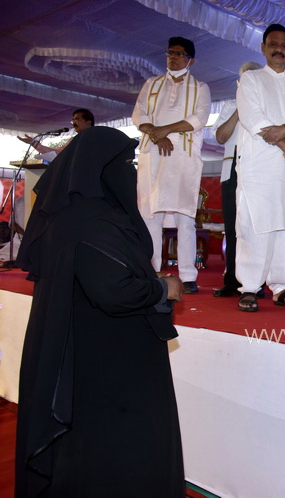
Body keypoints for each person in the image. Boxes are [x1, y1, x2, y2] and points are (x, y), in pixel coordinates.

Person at [15, 127, 185, 497]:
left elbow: (97, 272)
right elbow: (113, 290)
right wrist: (163, 288)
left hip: (79, 351)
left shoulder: (64, 215)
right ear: (99, 167)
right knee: (113, 458)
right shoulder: (94, 221)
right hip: (108, 365)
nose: (131, 171)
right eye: (126, 163)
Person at [234, 23, 285, 312]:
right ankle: (249, 288)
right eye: (273, 44)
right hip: (260, 162)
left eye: (284, 45)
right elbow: (254, 119)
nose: (278, 49)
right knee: (255, 224)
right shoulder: (251, 79)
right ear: (263, 48)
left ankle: (281, 288)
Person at [132, 36, 211, 294]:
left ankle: (188, 276)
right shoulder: (151, 84)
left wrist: (164, 130)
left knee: (185, 218)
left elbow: (199, 118)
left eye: (179, 54)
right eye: (170, 53)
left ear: (191, 60)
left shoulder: (200, 87)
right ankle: (152, 271)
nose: (173, 57)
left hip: (182, 156)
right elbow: (139, 113)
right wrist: (156, 134)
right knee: (150, 215)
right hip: (153, 152)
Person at [210, 60, 263, 298]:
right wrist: (241, 108)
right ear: (239, 82)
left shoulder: (267, 106)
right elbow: (221, 137)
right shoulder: (230, 105)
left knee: (257, 228)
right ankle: (232, 279)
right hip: (231, 168)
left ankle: (257, 283)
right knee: (233, 228)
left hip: (259, 168)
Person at [17, 108, 95, 161]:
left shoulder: (97, 137)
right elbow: (57, 153)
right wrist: (33, 143)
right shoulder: (74, 139)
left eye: (77, 119)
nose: (74, 123)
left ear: (88, 122)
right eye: (73, 120)